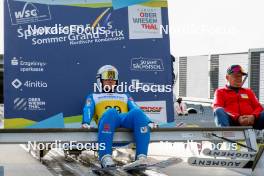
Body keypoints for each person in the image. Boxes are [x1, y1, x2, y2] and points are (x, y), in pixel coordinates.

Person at [82, 65, 156, 168]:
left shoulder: (125, 96)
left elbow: (135, 107)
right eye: (107, 81)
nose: (111, 82)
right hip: (107, 120)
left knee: (137, 113)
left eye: (113, 81)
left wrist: (148, 121)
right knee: (111, 112)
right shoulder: (93, 96)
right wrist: (86, 121)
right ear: (100, 81)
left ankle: (141, 157)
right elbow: (88, 108)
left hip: (124, 119)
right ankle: (105, 157)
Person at [213, 64, 264, 129]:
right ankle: (226, 136)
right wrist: (237, 117)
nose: (239, 79)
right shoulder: (220, 92)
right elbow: (217, 106)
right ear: (227, 77)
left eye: (240, 76)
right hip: (232, 122)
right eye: (236, 76)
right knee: (218, 110)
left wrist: (253, 116)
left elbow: (258, 107)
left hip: (251, 122)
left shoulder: (248, 91)